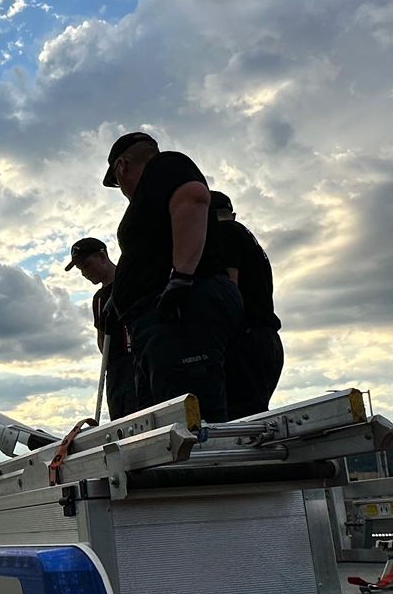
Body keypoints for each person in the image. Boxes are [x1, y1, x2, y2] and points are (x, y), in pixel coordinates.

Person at [103, 131, 246, 421]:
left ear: (122, 167)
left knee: (189, 419)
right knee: (163, 417)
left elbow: (192, 197)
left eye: (118, 183)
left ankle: (201, 464)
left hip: (179, 311)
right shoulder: (152, 194)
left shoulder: (165, 166)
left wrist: (182, 277)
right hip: (161, 320)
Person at [206, 192, 284, 417]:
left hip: (244, 339)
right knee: (255, 415)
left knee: (240, 420)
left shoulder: (225, 233)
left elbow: (230, 286)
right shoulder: (250, 241)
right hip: (266, 338)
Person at [63, 235, 137, 419]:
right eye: (80, 269)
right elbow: (101, 336)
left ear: (102, 256)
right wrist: (108, 363)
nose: (84, 273)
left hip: (137, 359)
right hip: (114, 368)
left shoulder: (131, 281)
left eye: (86, 265)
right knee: (119, 417)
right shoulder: (98, 299)